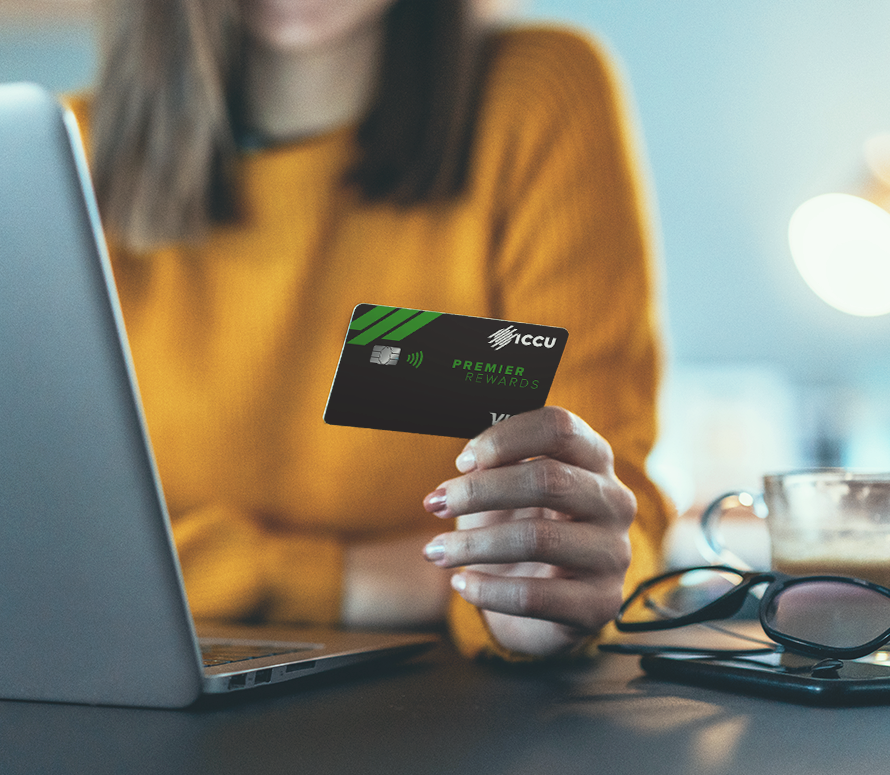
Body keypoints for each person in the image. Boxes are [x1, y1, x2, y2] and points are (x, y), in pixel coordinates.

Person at [67, 0, 670, 660]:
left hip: (463, 720)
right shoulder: (61, 159)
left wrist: (545, 597)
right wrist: (359, 580)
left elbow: (608, 508)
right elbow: (33, 558)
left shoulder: (536, 96)